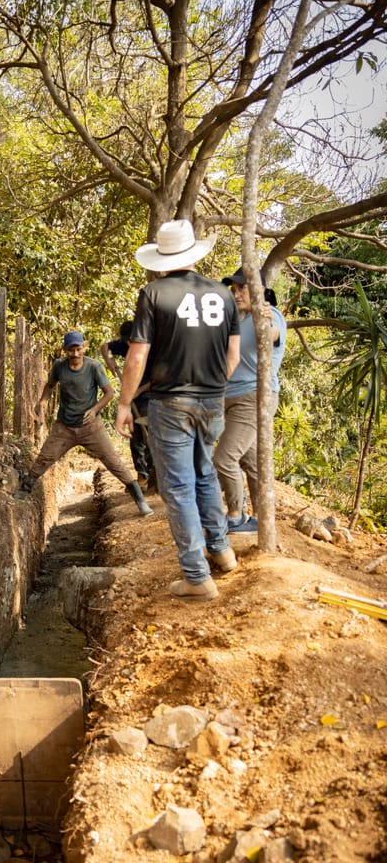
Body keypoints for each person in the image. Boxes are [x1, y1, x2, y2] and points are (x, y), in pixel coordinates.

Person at [115, 219, 240, 601]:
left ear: (162, 258)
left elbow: (137, 356)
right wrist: (211, 388)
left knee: (178, 486)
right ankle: (221, 550)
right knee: (204, 473)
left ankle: (196, 575)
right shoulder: (224, 294)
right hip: (212, 401)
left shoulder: (153, 293)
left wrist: (124, 403)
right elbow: (233, 356)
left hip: (171, 403)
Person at [19, 330, 153, 516]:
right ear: (64, 349)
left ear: (84, 347)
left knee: (114, 462)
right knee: (45, 458)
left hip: (91, 427)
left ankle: (140, 502)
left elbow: (109, 393)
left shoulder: (93, 367)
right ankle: (24, 491)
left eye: (78, 349)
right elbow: (49, 385)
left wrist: (95, 409)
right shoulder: (59, 366)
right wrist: (42, 402)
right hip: (64, 427)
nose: (75, 354)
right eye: (71, 350)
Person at [214, 267, 287, 532]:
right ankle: (261, 518)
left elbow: (272, 334)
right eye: (233, 289)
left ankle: (235, 515)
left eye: (241, 288)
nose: (236, 294)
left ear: (259, 290)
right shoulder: (236, 319)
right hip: (230, 399)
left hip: (254, 397)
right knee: (250, 461)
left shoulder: (270, 314)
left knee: (224, 459)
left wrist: (265, 323)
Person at [100, 321, 156, 493]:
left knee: (151, 436)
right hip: (133, 399)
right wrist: (109, 362)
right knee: (136, 437)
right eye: (127, 341)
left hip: (151, 397)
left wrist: (138, 391)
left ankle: (155, 474)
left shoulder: (153, 349)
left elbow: (158, 378)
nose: (129, 344)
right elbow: (104, 347)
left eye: (132, 340)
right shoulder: (125, 345)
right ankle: (142, 475)